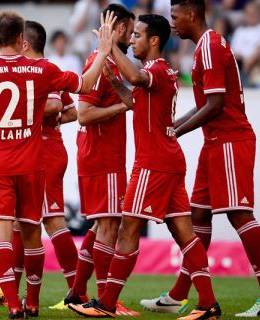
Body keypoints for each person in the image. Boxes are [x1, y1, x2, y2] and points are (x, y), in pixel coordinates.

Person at [0, 11, 114, 319]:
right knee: (31, 233)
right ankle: (32, 302)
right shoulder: (43, 69)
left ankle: (14, 304)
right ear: (20, 39)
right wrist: (105, 52)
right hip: (32, 165)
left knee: (3, 234)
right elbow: (85, 84)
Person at [69, 13, 221, 320]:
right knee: (184, 234)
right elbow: (133, 98)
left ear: (153, 40)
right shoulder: (159, 72)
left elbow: (137, 79)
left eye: (137, 36)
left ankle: (107, 302)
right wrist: (112, 77)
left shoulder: (156, 69)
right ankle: (208, 304)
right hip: (167, 160)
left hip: (153, 164)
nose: (133, 41)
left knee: (127, 229)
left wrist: (108, 47)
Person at [140, 0, 260, 317]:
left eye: (176, 17)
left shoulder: (210, 47)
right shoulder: (207, 45)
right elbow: (208, 103)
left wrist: (176, 132)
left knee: (239, 215)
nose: (173, 23)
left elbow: (216, 105)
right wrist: (174, 126)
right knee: (199, 216)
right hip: (214, 142)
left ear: (192, 15)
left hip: (230, 141)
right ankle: (179, 295)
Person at [0, 20, 79, 310]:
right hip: (33, 150)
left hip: (43, 152)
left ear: (25, 43)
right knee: (20, 225)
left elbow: (58, 105)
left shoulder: (41, 69)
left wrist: (23, 109)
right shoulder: (29, 72)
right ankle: (10, 289)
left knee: (50, 220)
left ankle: (76, 291)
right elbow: (71, 112)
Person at [64, 4, 140, 316]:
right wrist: (124, 107)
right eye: (131, 31)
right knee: (109, 225)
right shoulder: (100, 61)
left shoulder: (108, 61)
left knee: (100, 227)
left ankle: (76, 293)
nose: (133, 39)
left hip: (104, 155)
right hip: (101, 156)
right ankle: (105, 300)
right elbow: (84, 114)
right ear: (119, 29)